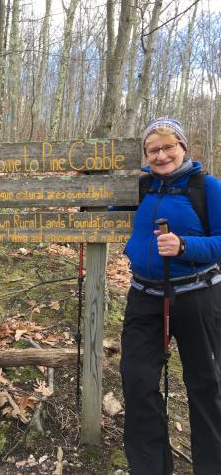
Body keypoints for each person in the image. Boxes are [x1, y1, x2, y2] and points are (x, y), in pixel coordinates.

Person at [120, 118, 221, 475]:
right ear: (145, 155)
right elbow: (105, 208)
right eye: (153, 150)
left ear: (183, 147)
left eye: (168, 147)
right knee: (138, 383)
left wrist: (184, 245)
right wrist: (88, 186)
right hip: (144, 297)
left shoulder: (207, 187)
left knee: (206, 386)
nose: (161, 155)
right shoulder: (142, 187)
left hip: (198, 296)